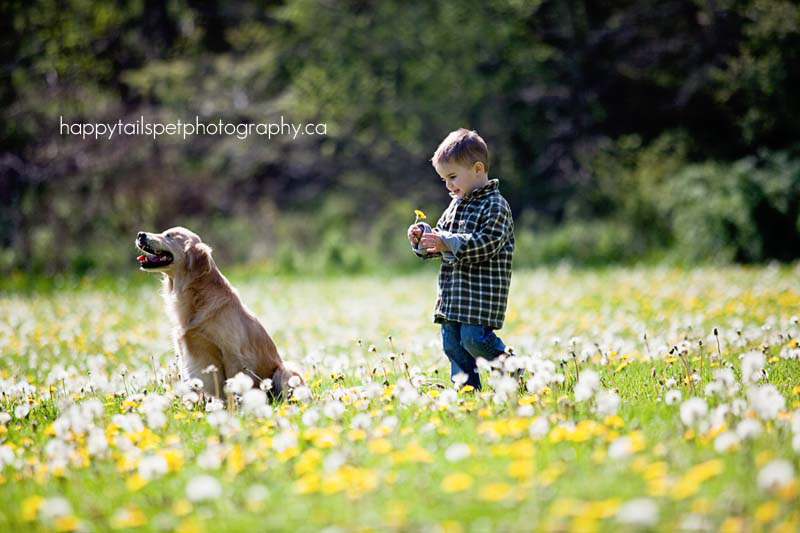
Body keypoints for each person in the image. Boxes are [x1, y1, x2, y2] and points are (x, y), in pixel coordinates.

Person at [408, 128, 514, 390]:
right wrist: (423, 240)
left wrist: (447, 242)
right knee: (453, 344)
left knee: (474, 339)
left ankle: (512, 370)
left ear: (478, 169)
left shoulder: (495, 204)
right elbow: (441, 240)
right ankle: (467, 391)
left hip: (479, 293)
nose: (449, 186)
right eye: (444, 179)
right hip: (453, 294)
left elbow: (487, 244)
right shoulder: (455, 204)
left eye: (453, 177)